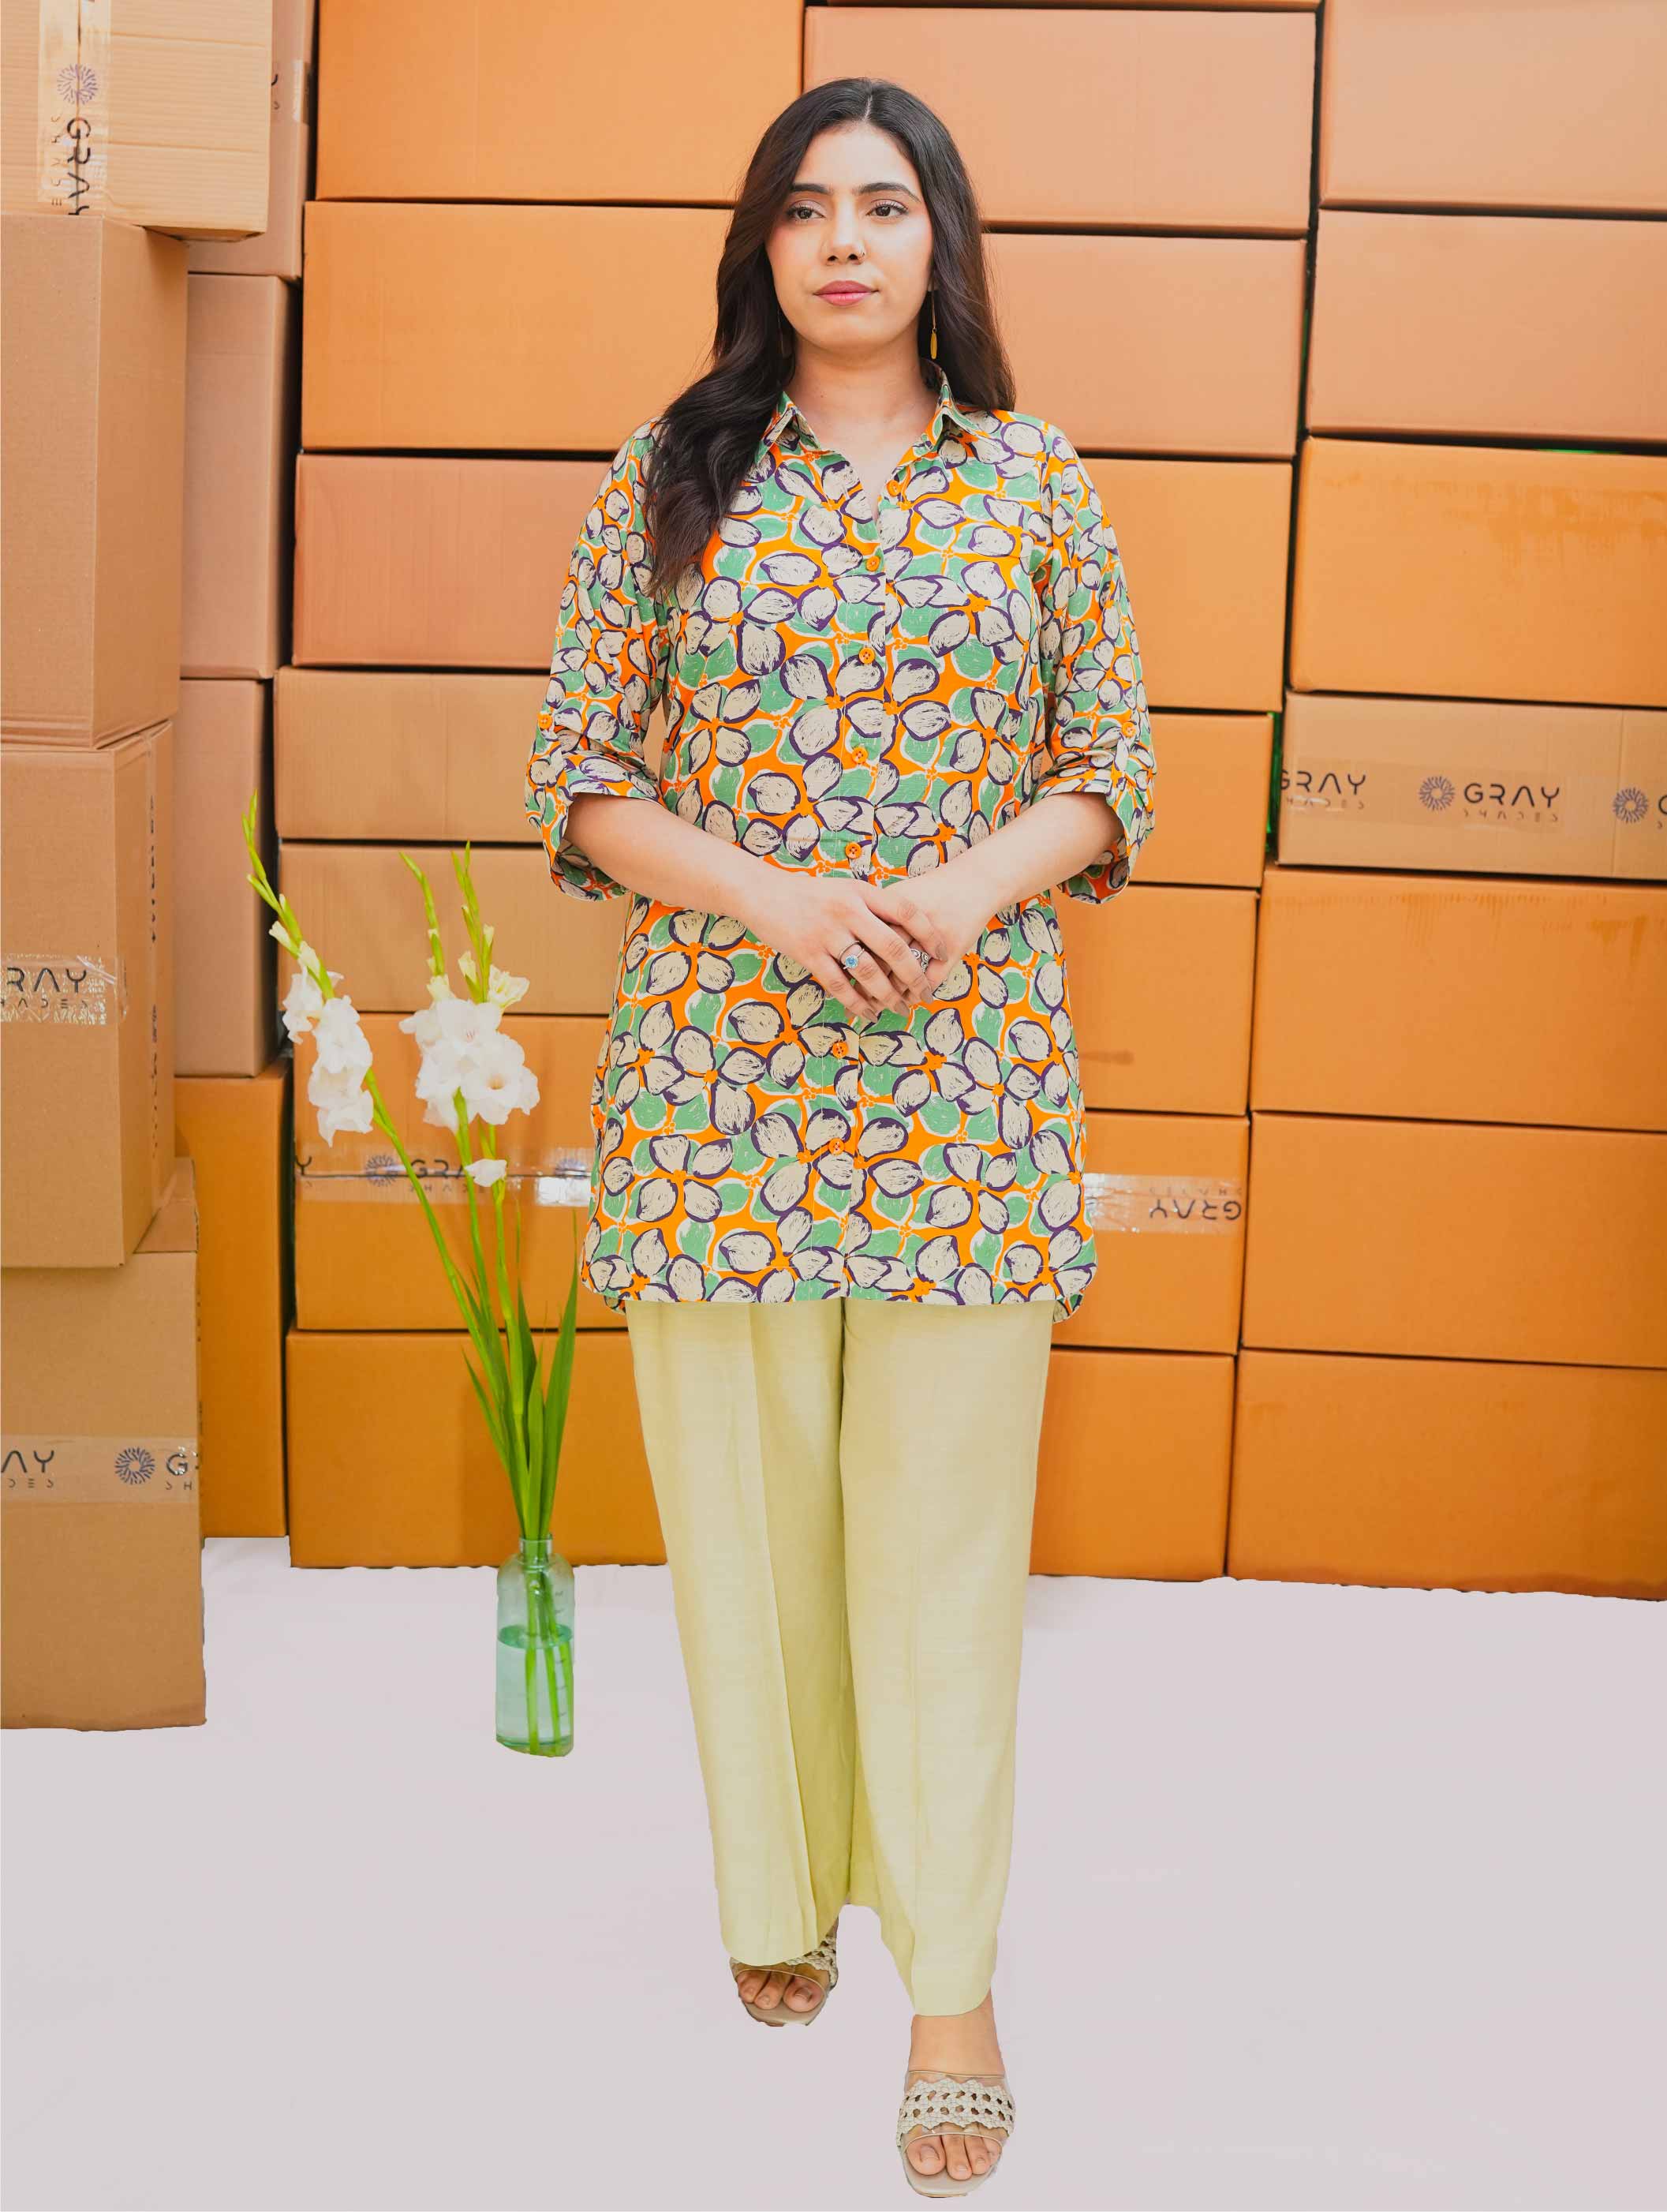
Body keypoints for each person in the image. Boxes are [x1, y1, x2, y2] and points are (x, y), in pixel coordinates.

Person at [524, 75, 1156, 2199]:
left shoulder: (1035, 489)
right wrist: (779, 900)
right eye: (803, 211)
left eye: (883, 206)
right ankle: (777, 1880)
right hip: (722, 1082)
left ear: (941, 241)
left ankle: (954, 1984)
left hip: (961, 1091)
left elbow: (1107, 770)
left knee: (946, 1545)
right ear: (761, 251)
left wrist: (963, 892)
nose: (844, 243)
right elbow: (586, 778)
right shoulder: (671, 474)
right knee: (744, 1518)